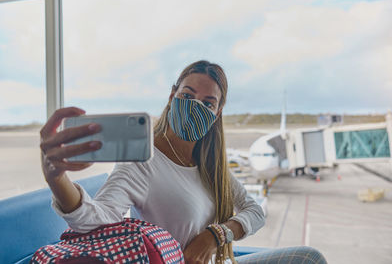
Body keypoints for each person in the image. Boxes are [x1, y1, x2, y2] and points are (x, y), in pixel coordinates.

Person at [40, 60, 327, 264]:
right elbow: (94, 220)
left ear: (217, 112)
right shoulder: (143, 161)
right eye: (187, 96)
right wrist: (57, 179)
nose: (195, 107)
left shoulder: (210, 165)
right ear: (171, 97)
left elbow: (255, 211)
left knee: (308, 257)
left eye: (207, 103)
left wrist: (217, 234)